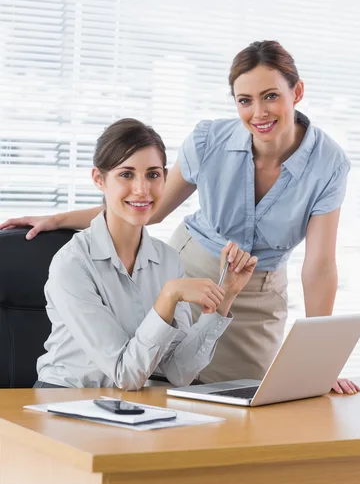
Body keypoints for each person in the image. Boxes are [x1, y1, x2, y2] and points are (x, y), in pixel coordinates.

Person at [2, 41, 359, 395]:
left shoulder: (328, 163)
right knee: (161, 390)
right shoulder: (209, 141)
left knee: (243, 405)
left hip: (253, 286)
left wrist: (322, 360)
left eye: (270, 96)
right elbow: (148, 206)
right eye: (245, 100)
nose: (259, 112)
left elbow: (319, 266)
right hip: (191, 268)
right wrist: (60, 219)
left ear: (296, 92)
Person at [30, 118, 257, 389]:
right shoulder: (72, 264)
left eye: (153, 174)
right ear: (99, 180)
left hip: (129, 406)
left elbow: (178, 372)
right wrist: (168, 296)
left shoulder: (168, 260)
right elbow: (125, 373)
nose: (142, 189)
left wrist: (226, 295)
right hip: (66, 399)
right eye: (126, 174)